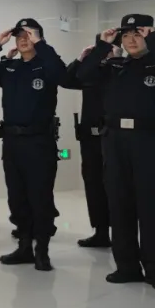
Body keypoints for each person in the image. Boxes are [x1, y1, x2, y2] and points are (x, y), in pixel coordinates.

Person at [77, 14, 155, 291]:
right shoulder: (115, 66)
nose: (131, 40)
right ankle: (126, 266)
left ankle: (154, 269)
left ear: (148, 35)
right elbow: (80, 76)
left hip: (150, 143)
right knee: (119, 205)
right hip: (115, 143)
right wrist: (102, 46)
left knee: (151, 208)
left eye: (137, 34)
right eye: (126, 36)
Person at [0, 18, 66, 271]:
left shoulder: (46, 65)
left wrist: (42, 44)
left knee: (40, 197)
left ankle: (42, 250)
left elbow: (63, 75)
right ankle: (24, 246)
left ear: (38, 38)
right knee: (17, 197)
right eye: (19, 36)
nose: (23, 40)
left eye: (29, 35)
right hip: (12, 142)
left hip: (39, 142)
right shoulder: (10, 68)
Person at [62, 44, 114, 248]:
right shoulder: (89, 73)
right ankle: (101, 231)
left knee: (116, 186)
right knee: (93, 185)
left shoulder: (121, 71)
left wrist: (115, 59)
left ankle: (121, 233)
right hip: (90, 139)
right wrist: (80, 58)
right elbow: (65, 80)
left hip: (113, 138)